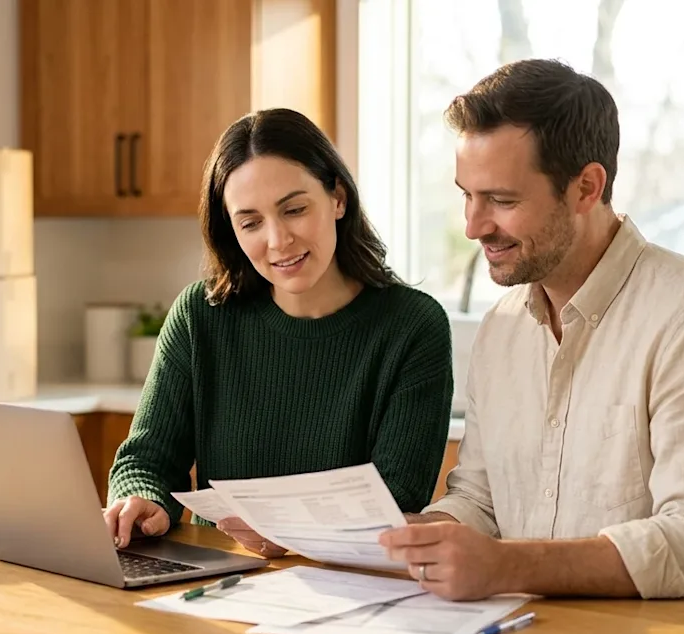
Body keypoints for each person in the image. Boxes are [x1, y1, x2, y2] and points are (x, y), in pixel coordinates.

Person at [377, 60, 684, 634]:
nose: (472, 225)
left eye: (501, 200)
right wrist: (417, 539)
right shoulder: (503, 327)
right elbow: (481, 499)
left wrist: (501, 565)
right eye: (466, 194)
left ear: (586, 186)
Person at [104, 107, 454, 558]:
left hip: (351, 588)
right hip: (218, 581)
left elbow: (398, 496)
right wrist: (141, 499)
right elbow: (147, 460)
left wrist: (293, 535)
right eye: (251, 222)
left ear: (338, 199)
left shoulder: (412, 326)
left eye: (294, 209)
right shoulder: (200, 315)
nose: (277, 240)